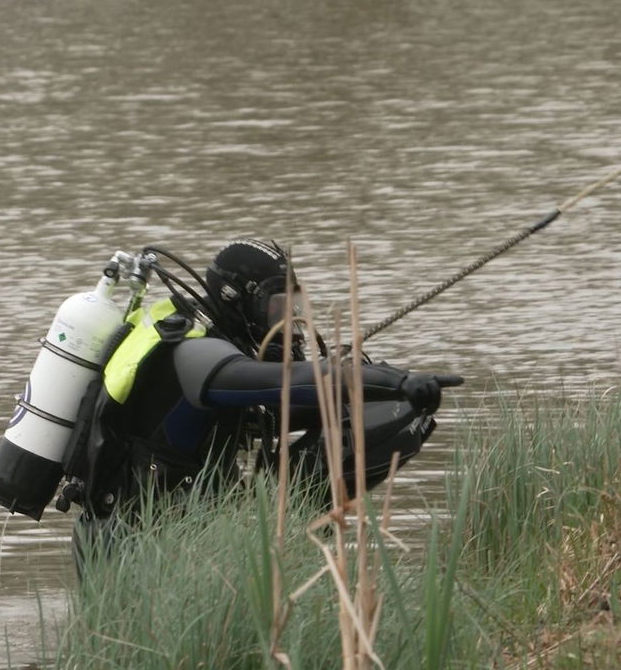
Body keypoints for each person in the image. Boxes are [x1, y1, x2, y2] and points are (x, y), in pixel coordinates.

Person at [66, 238, 459, 562]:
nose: (288, 323)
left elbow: (287, 406)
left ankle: (276, 550)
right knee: (381, 399)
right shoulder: (192, 352)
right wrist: (393, 380)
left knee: (395, 414)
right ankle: (269, 550)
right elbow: (284, 384)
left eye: (294, 309)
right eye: (276, 309)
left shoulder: (220, 346)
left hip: (178, 534)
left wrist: (382, 386)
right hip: (130, 547)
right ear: (236, 299)